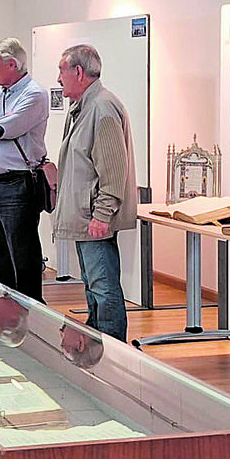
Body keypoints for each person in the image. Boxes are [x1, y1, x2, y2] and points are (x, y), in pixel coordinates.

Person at [52, 44, 139, 341]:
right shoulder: (83, 107)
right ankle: (97, 345)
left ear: (78, 71)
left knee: (103, 286)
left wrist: (103, 214)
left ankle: (114, 352)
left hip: (94, 218)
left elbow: (114, 170)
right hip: (84, 215)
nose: (58, 78)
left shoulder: (102, 108)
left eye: (61, 70)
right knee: (92, 283)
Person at [0, 37, 50, 301]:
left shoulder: (34, 94)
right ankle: (7, 311)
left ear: (12, 64)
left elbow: (4, 129)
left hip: (19, 184)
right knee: (0, 254)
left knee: (22, 254)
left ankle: (31, 313)